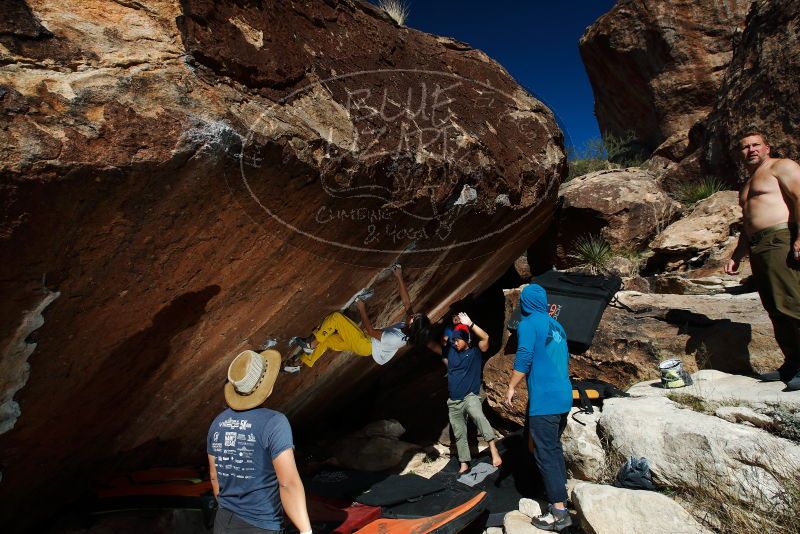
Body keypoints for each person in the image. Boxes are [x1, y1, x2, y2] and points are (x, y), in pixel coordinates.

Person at [724, 130, 800, 391]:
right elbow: (748, 225)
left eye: (756, 144)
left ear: (767, 147)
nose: (751, 150)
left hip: (781, 238)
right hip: (759, 247)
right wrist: (736, 256)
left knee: (792, 303)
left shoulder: (782, 166)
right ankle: (792, 363)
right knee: (775, 308)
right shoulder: (746, 185)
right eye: (745, 147)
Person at [208, 349, 312, 534]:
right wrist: (306, 530)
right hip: (260, 525)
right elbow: (288, 483)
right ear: (267, 386)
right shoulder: (274, 423)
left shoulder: (218, 423)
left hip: (222, 521)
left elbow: (215, 477)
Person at [504, 284, 572, 532]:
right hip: (563, 397)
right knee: (553, 449)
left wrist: (511, 387)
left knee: (546, 454)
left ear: (527, 303)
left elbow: (524, 357)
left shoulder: (529, 324)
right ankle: (559, 494)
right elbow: (565, 359)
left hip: (546, 400)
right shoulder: (558, 326)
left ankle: (559, 513)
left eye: (522, 301)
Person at [290, 264, 431, 367]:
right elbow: (407, 303)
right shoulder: (410, 327)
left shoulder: (395, 339)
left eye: (415, 317)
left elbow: (370, 331)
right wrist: (399, 276)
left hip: (365, 343)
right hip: (366, 344)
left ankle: (311, 344)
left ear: (413, 326)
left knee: (336, 318)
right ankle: (299, 363)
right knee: (327, 341)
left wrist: (361, 307)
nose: (414, 314)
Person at [429, 312, 502, 474]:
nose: (455, 343)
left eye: (458, 340)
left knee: (477, 415)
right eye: (454, 340)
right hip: (454, 400)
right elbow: (436, 346)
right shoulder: (451, 351)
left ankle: (493, 449)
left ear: (467, 339)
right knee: (459, 432)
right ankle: (464, 462)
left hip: (470, 396)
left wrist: (470, 324)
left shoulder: (475, 353)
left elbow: (485, 338)